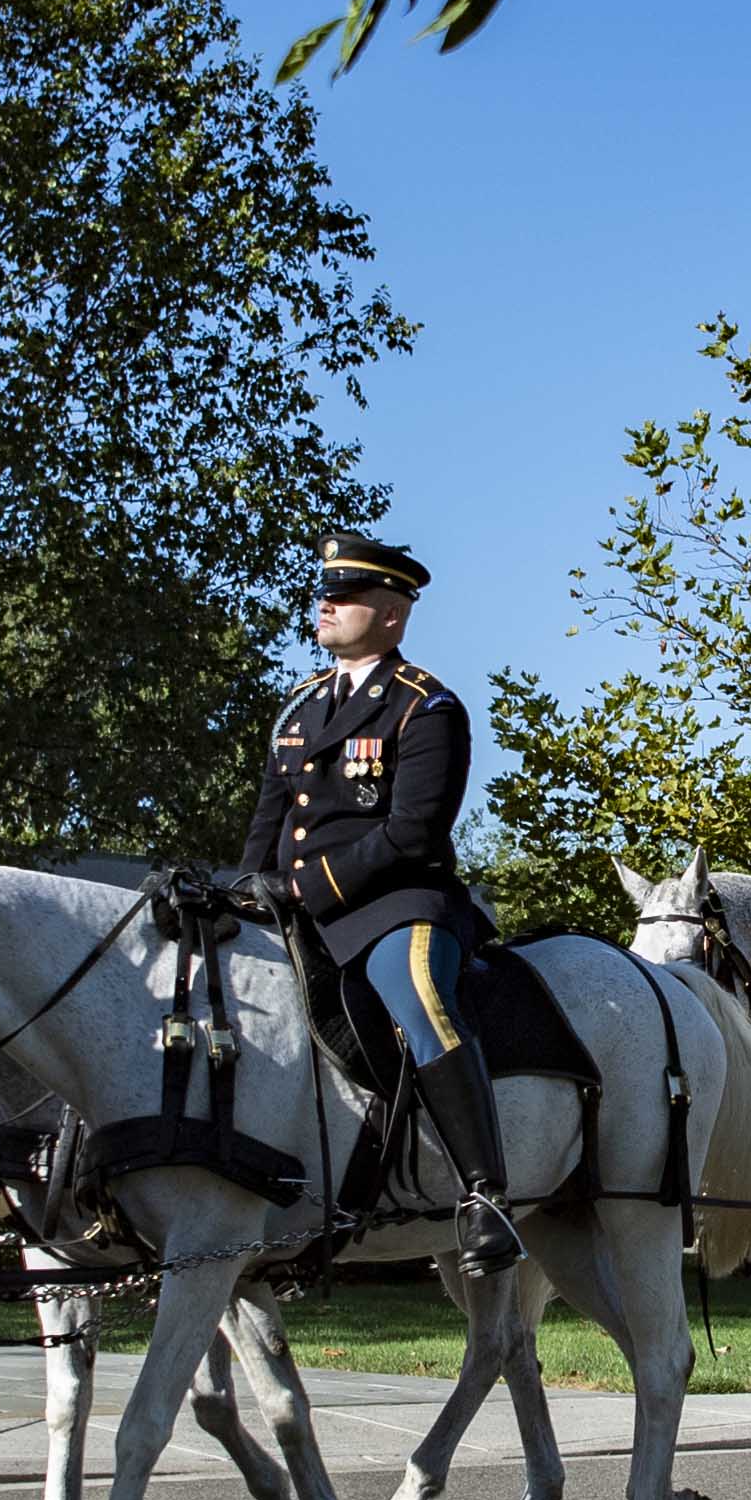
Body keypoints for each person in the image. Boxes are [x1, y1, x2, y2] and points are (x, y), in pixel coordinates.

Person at [237, 532, 520, 1275]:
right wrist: (243, 894)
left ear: (392, 616)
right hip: (300, 911)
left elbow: (411, 834)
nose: (327, 603)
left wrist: (307, 888)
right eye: (326, 592)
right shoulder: (298, 711)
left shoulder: (426, 708)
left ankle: (485, 1195)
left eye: (348, 595)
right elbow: (268, 829)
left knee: (421, 998)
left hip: (395, 908)